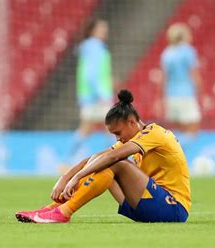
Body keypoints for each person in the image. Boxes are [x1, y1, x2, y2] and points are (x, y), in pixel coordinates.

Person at [16, 90, 190, 223]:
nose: (117, 138)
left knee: (116, 163)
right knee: (102, 161)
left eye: (118, 133)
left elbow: (113, 158)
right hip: (147, 204)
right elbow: (98, 157)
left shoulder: (155, 134)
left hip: (173, 208)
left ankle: (64, 213)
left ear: (131, 122)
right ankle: (50, 210)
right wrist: (66, 177)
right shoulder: (135, 137)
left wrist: (77, 177)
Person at [68, 18, 114, 164]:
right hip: (96, 96)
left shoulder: (88, 47)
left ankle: (67, 161)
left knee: (89, 129)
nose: (105, 31)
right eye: (101, 28)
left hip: (89, 95)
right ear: (92, 31)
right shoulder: (95, 47)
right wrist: (101, 93)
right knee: (111, 127)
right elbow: (91, 74)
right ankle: (113, 160)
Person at [159, 23, 203, 138]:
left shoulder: (166, 53)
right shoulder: (188, 51)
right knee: (193, 130)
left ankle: (177, 152)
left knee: (181, 130)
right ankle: (181, 153)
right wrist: (201, 91)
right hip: (186, 94)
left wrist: (160, 98)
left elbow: (164, 78)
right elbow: (193, 73)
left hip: (171, 96)